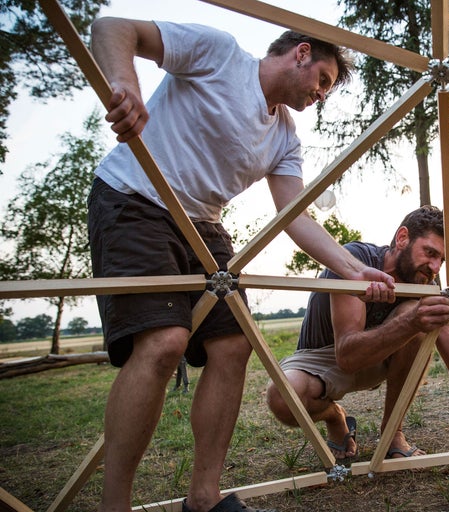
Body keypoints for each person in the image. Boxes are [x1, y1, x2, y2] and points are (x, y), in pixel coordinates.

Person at [87, 17, 396, 512]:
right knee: (165, 343)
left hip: (203, 225)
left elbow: (296, 216)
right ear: (300, 52)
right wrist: (124, 84)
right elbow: (113, 28)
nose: (322, 94)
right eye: (323, 80)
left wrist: (353, 270)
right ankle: (113, 506)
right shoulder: (219, 53)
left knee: (233, 346)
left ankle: (204, 500)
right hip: (134, 198)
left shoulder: (285, 137)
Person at [266, 206, 449, 461]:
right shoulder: (355, 260)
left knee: (419, 316)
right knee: (282, 398)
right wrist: (411, 321)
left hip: (380, 356)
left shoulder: (426, 288)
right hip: (323, 356)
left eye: (441, 260)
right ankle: (335, 417)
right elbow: (347, 357)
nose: (434, 267)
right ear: (402, 238)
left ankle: (392, 434)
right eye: (430, 253)